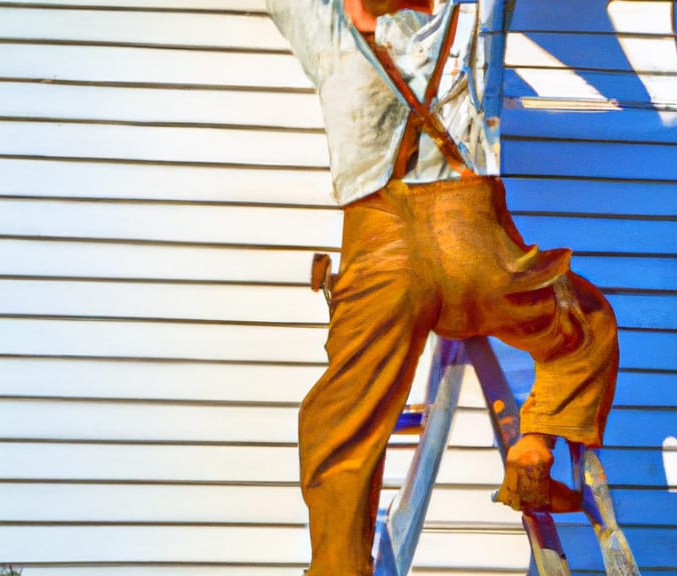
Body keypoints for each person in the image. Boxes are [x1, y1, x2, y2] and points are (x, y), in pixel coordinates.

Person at [266, 0, 619, 573]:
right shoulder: (461, 23)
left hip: (382, 260)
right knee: (583, 320)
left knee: (340, 426)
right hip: (478, 252)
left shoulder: (329, 32)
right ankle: (534, 449)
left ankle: (338, 565)